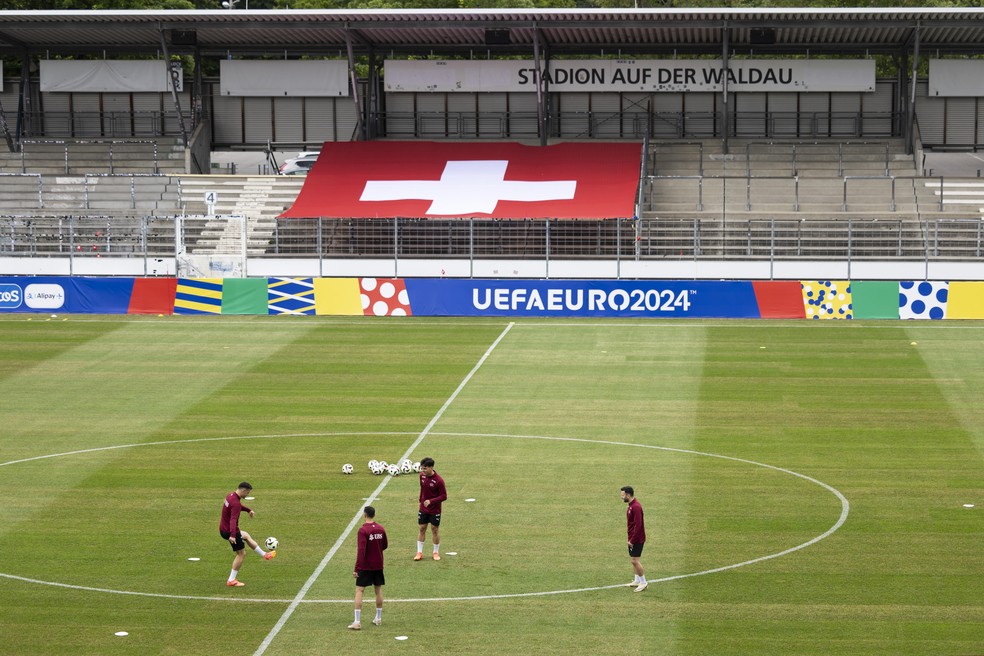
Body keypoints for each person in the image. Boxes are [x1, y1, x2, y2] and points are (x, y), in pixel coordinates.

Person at [219, 481, 275, 588]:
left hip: (223, 528)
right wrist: (232, 535)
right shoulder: (235, 502)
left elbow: (237, 506)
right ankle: (231, 580)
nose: (247, 495)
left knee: (246, 535)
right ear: (243, 490)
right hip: (230, 531)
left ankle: (265, 555)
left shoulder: (230, 496)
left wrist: (248, 510)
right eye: (247, 493)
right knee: (241, 554)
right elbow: (233, 519)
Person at [349, 505, 388, 630]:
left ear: (364, 515)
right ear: (374, 515)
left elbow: (361, 550)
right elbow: (385, 545)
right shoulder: (381, 529)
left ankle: (357, 621)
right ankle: (378, 618)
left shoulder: (363, 530)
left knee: (359, 590)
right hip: (378, 564)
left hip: (366, 566)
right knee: (378, 589)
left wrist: (357, 568)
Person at [414, 456, 447, 561]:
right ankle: (419, 552)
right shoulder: (421, 476)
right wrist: (421, 501)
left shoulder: (439, 481)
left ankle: (435, 552)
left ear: (431, 467)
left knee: (435, 530)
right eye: (422, 468)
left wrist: (431, 501)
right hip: (423, 508)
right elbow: (422, 489)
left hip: (435, 510)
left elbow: (444, 496)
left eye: (425, 468)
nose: (423, 471)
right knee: (422, 528)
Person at [620, 485, 647, 592]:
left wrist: (632, 540)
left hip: (637, 539)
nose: (621, 497)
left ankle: (643, 582)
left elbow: (638, 525)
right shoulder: (631, 505)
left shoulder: (636, 507)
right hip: (632, 537)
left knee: (635, 561)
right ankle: (637, 580)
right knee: (633, 560)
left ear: (628, 494)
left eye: (622, 495)